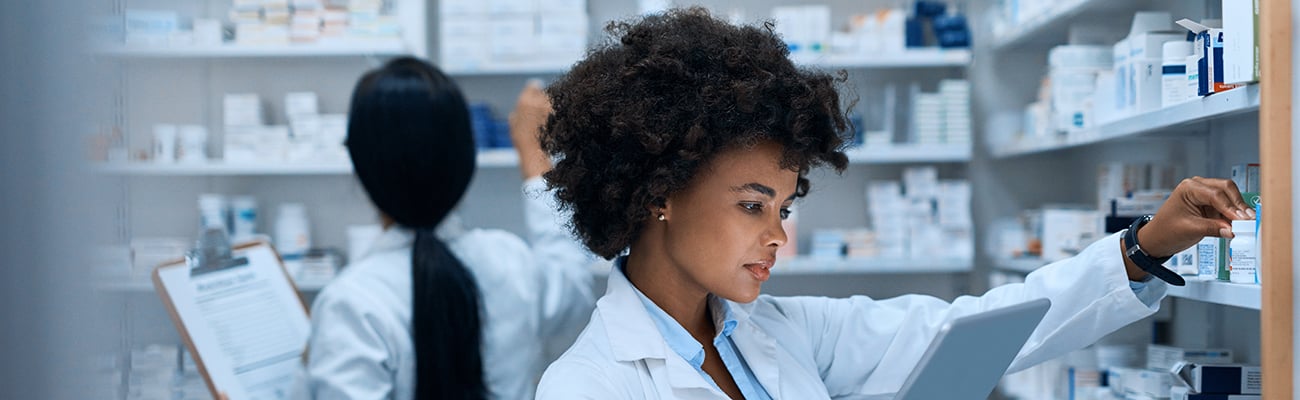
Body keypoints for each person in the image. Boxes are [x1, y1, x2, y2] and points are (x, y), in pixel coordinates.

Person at [534, 8, 1254, 399]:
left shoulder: (778, 331)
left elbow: (971, 331)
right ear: (659, 190)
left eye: (784, 208)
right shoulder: (585, 386)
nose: (778, 236)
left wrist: (1143, 247)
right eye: (753, 206)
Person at [299, 57, 594, 400]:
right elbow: (574, 284)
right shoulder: (509, 262)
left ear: (361, 166)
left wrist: (308, 365)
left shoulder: (352, 303)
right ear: (465, 160)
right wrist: (535, 154)